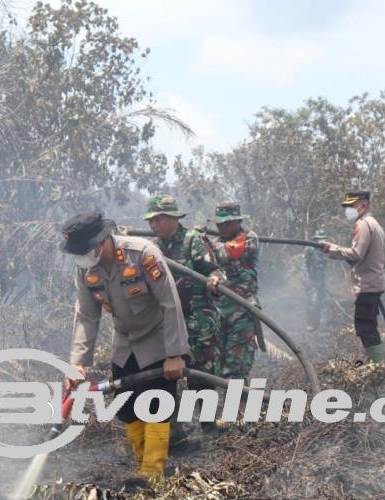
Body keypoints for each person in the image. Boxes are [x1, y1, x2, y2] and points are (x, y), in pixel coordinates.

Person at [62, 212, 190, 485]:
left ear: (101, 242)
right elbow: (86, 315)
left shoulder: (143, 254)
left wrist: (175, 354)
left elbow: (170, 304)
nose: (82, 257)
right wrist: (77, 363)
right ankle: (143, 465)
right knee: (128, 407)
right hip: (125, 342)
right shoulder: (86, 269)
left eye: (85, 250)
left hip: (158, 339)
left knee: (156, 404)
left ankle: (153, 471)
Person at [144, 195, 224, 376]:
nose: (153, 225)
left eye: (158, 219)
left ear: (173, 218)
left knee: (202, 382)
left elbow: (215, 271)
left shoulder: (193, 240)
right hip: (167, 328)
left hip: (198, 326)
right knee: (164, 381)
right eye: (150, 221)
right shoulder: (151, 248)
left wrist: (215, 280)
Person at [319, 191, 385, 364]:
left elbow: (356, 253)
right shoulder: (375, 225)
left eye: (351, 206)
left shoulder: (364, 224)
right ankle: (377, 361)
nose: (348, 210)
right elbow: (383, 258)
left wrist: (332, 248)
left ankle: (378, 365)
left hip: (367, 285)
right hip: (374, 283)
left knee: (364, 327)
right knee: (369, 325)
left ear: (363, 205)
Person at [211, 202, 261, 381]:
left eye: (226, 223)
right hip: (220, 312)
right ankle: (232, 406)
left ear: (237, 221)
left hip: (243, 310)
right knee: (220, 364)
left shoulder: (248, 238)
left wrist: (203, 240)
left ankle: (243, 406)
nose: (221, 227)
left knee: (237, 366)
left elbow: (231, 252)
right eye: (219, 224)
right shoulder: (215, 243)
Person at [305, 229, 328, 332]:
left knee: (321, 301)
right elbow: (305, 266)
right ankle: (310, 324)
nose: (321, 242)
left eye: (322, 239)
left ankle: (319, 324)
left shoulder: (324, 251)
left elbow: (324, 266)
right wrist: (307, 280)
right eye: (319, 239)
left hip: (321, 280)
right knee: (312, 302)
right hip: (312, 280)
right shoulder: (309, 250)